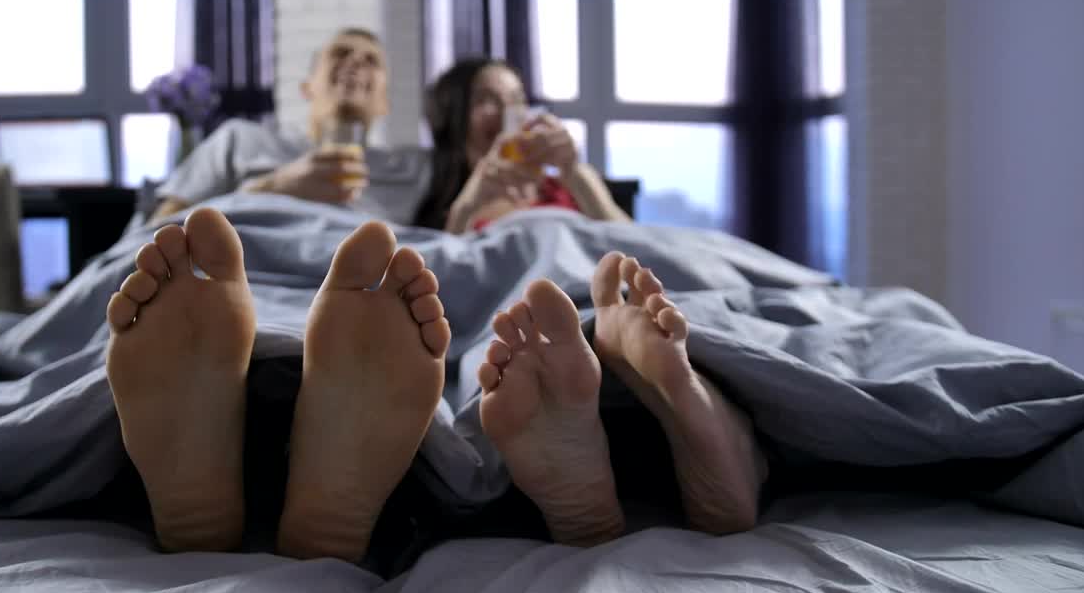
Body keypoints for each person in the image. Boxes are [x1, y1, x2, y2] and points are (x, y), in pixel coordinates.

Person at [105, 207, 767, 560]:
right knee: (534, 324)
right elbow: (159, 213)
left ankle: (228, 484)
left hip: (561, 235)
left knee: (539, 308)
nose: (504, 115)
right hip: (459, 236)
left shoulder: (568, 181)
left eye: (510, 97)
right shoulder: (430, 185)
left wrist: (575, 183)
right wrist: (287, 180)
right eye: (482, 100)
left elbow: (620, 224)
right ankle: (702, 420)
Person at [150, 27, 430, 224]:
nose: (356, 61)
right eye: (341, 53)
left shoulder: (413, 168)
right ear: (307, 88)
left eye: (371, 60)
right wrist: (273, 187)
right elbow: (156, 233)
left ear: (385, 103)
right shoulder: (241, 141)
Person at [415, 57, 631, 233]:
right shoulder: (452, 208)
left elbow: (637, 252)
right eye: (485, 100)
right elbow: (443, 273)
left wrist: (576, 174)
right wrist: (466, 208)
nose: (507, 110)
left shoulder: (570, 187)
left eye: (516, 98)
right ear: (451, 118)